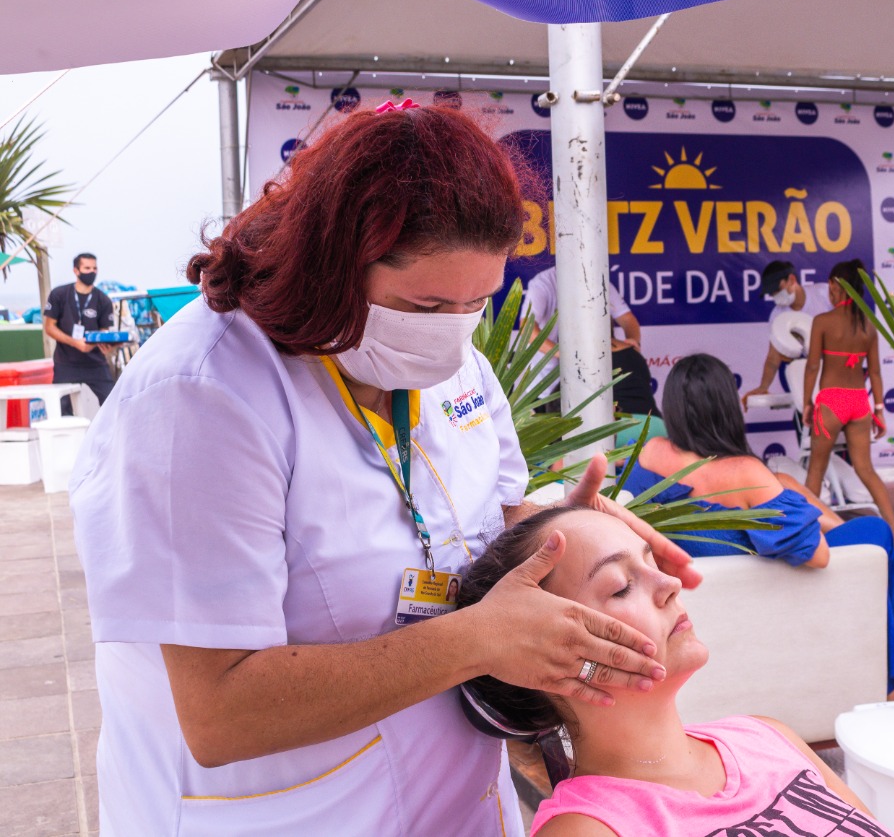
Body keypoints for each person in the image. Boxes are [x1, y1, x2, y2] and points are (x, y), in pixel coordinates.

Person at [69, 100, 697, 835]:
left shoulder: (459, 366)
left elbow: (486, 525)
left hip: (457, 805)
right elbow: (220, 712)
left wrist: (571, 533)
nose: (451, 335)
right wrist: (476, 639)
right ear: (331, 263)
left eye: (477, 302)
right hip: (289, 813)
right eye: (425, 304)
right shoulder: (202, 397)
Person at [456, 505, 894, 837]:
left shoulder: (766, 735)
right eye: (622, 586)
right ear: (540, 658)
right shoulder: (591, 829)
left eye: (652, 564)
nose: (670, 585)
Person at [623, 353, 894, 704]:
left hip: (704, 579)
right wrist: (785, 496)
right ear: (727, 409)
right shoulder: (743, 472)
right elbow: (818, 555)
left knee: (784, 484)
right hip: (764, 587)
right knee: (874, 532)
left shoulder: (652, 452)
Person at [801, 260, 894, 523]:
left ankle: (807, 533)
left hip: (831, 401)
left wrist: (808, 402)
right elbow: (874, 372)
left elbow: (812, 366)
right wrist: (879, 410)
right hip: (859, 403)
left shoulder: (822, 321)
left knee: (816, 471)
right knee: (866, 469)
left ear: (834, 286)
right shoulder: (868, 325)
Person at [522, 267, 657, 416]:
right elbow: (527, 329)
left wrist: (634, 342)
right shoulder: (544, 283)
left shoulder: (597, 279)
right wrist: (569, 356)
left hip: (586, 385)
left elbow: (627, 319)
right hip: (546, 384)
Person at [741, 259, 831, 408]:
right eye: (772, 293)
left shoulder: (824, 294)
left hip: (837, 370)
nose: (775, 295)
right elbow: (773, 357)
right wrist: (763, 387)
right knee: (805, 420)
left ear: (792, 280)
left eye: (778, 290)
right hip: (809, 378)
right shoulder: (777, 316)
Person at [43, 252, 117, 413]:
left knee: (113, 402)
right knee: (61, 408)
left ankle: (110, 437)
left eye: (94, 268)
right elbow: (49, 327)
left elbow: (104, 332)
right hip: (66, 363)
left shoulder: (103, 300)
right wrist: (75, 342)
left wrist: (102, 345)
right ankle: (66, 438)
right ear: (76, 270)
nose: (92, 272)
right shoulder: (59, 294)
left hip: (95, 362)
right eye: (87, 268)